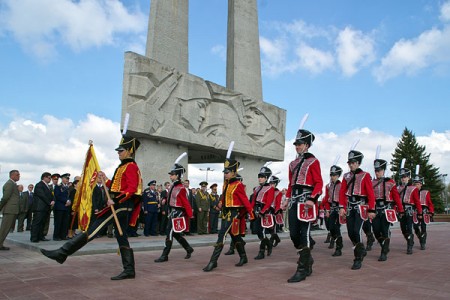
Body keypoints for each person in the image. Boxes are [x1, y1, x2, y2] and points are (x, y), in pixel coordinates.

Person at [41, 136, 143, 280]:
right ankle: (129, 269)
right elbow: (115, 187)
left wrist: (116, 201)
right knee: (122, 237)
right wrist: (105, 180)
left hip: (121, 206)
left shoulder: (131, 166)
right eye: (118, 151)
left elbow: (132, 190)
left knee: (93, 229)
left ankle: (62, 253)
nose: (118, 153)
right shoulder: (123, 166)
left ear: (129, 151)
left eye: (121, 150)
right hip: (119, 205)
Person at [203, 155, 255, 272]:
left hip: (234, 213)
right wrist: (221, 202)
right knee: (235, 236)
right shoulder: (226, 184)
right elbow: (224, 196)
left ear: (233, 173)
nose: (225, 174)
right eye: (225, 172)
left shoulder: (239, 185)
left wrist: (251, 214)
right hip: (225, 212)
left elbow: (245, 201)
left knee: (221, 235)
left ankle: (213, 261)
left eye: (227, 172)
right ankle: (243, 257)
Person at [285, 128, 323, 282]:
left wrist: (312, 199)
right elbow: (290, 184)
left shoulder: (313, 161)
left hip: (306, 201)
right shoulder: (292, 163)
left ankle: (302, 269)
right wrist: (287, 198)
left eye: (300, 144)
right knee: (293, 233)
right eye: (296, 144)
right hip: (294, 200)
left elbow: (319, 183)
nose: (297, 146)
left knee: (304, 233)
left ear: (307, 145)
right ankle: (307, 259)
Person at [339, 150, 376, 270]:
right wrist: (342, 207)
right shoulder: (346, 176)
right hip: (350, 207)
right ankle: (360, 249)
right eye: (349, 162)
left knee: (356, 230)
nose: (351, 165)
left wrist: (371, 209)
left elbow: (370, 194)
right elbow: (342, 193)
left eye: (353, 162)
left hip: (361, 207)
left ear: (358, 163)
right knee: (350, 232)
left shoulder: (365, 175)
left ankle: (358, 258)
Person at [154, 156, 194, 262]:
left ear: (177, 175)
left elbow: (186, 203)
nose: (170, 176)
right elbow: (170, 196)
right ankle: (189, 248)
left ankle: (165, 255)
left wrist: (190, 215)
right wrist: (164, 200)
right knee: (175, 233)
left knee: (169, 233)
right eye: (170, 175)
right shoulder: (172, 186)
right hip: (171, 212)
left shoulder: (181, 188)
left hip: (178, 213)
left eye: (172, 175)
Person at [372, 158, 404, 261]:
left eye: (379, 170)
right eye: (376, 170)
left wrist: (401, 209)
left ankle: (383, 252)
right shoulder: (371, 183)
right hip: (376, 209)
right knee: (376, 230)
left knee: (384, 230)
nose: (377, 172)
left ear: (383, 170)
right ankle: (385, 246)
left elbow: (396, 197)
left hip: (386, 209)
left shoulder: (390, 182)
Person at [397, 166, 423, 254]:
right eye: (402, 177)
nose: (403, 179)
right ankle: (409, 240)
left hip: (409, 211)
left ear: (408, 177)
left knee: (409, 228)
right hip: (401, 211)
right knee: (403, 228)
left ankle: (410, 245)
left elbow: (417, 201)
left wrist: (420, 212)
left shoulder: (413, 188)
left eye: (404, 177)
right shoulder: (398, 188)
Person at [252, 165, 275, 260]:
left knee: (262, 231)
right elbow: (253, 201)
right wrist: (250, 210)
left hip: (264, 212)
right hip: (256, 210)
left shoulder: (270, 188)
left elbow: (269, 202)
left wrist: (262, 212)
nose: (260, 179)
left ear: (266, 178)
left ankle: (261, 252)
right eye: (259, 177)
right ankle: (269, 244)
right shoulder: (257, 188)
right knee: (257, 231)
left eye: (262, 177)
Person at [323, 165, 344, 257]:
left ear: (338, 175)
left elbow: (344, 198)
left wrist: (343, 209)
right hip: (331, 208)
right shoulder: (328, 186)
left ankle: (338, 248)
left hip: (339, 208)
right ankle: (337, 241)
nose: (332, 177)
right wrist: (327, 210)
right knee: (330, 228)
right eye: (331, 175)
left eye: (334, 175)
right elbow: (327, 198)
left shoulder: (342, 185)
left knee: (336, 227)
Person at [30, 172, 55, 242]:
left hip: (45, 208)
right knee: (37, 223)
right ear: (44, 177)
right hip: (39, 208)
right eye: (49, 178)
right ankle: (34, 238)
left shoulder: (47, 186)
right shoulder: (39, 185)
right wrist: (49, 202)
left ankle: (41, 236)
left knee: (43, 223)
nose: (50, 180)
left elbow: (51, 195)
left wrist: (53, 200)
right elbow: (42, 195)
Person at [0, 170, 20, 250]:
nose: (19, 176)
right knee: (4, 228)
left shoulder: (13, 184)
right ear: (12, 176)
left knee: (6, 228)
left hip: (12, 209)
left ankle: (0, 244)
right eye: (17, 175)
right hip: (9, 210)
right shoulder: (9, 184)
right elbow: (5, 197)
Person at [412, 173, 433, 250]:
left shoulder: (426, 192)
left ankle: (423, 242)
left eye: (418, 184)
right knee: (415, 226)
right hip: (415, 211)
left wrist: (431, 211)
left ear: (421, 184)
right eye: (415, 184)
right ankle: (420, 237)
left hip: (424, 212)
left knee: (423, 227)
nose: (416, 185)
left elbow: (429, 203)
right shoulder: (411, 192)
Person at [53, 173, 72, 241]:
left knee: (65, 222)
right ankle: (56, 236)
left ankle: (63, 235)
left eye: (68, 179)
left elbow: (69, 196)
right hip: (60, 207)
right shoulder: (58, 186)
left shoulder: (68, 187)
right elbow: (57, 196)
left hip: (66, 207)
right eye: (66, 178)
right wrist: (66, 201)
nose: (67, 180)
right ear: (62, 179)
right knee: (58, 222)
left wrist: (69, 201)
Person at [269, 176, 283, 248]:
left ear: (276, 184)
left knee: (273, 228)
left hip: (274, 211)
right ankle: (277, 239)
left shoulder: (278, 192)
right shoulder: (267, 191)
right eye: (270, 183)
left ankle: (270, 243)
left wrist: (276, 211)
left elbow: (278, 203)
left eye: (273, 184)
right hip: (268, 211)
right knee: (269, 227)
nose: (271, 185)